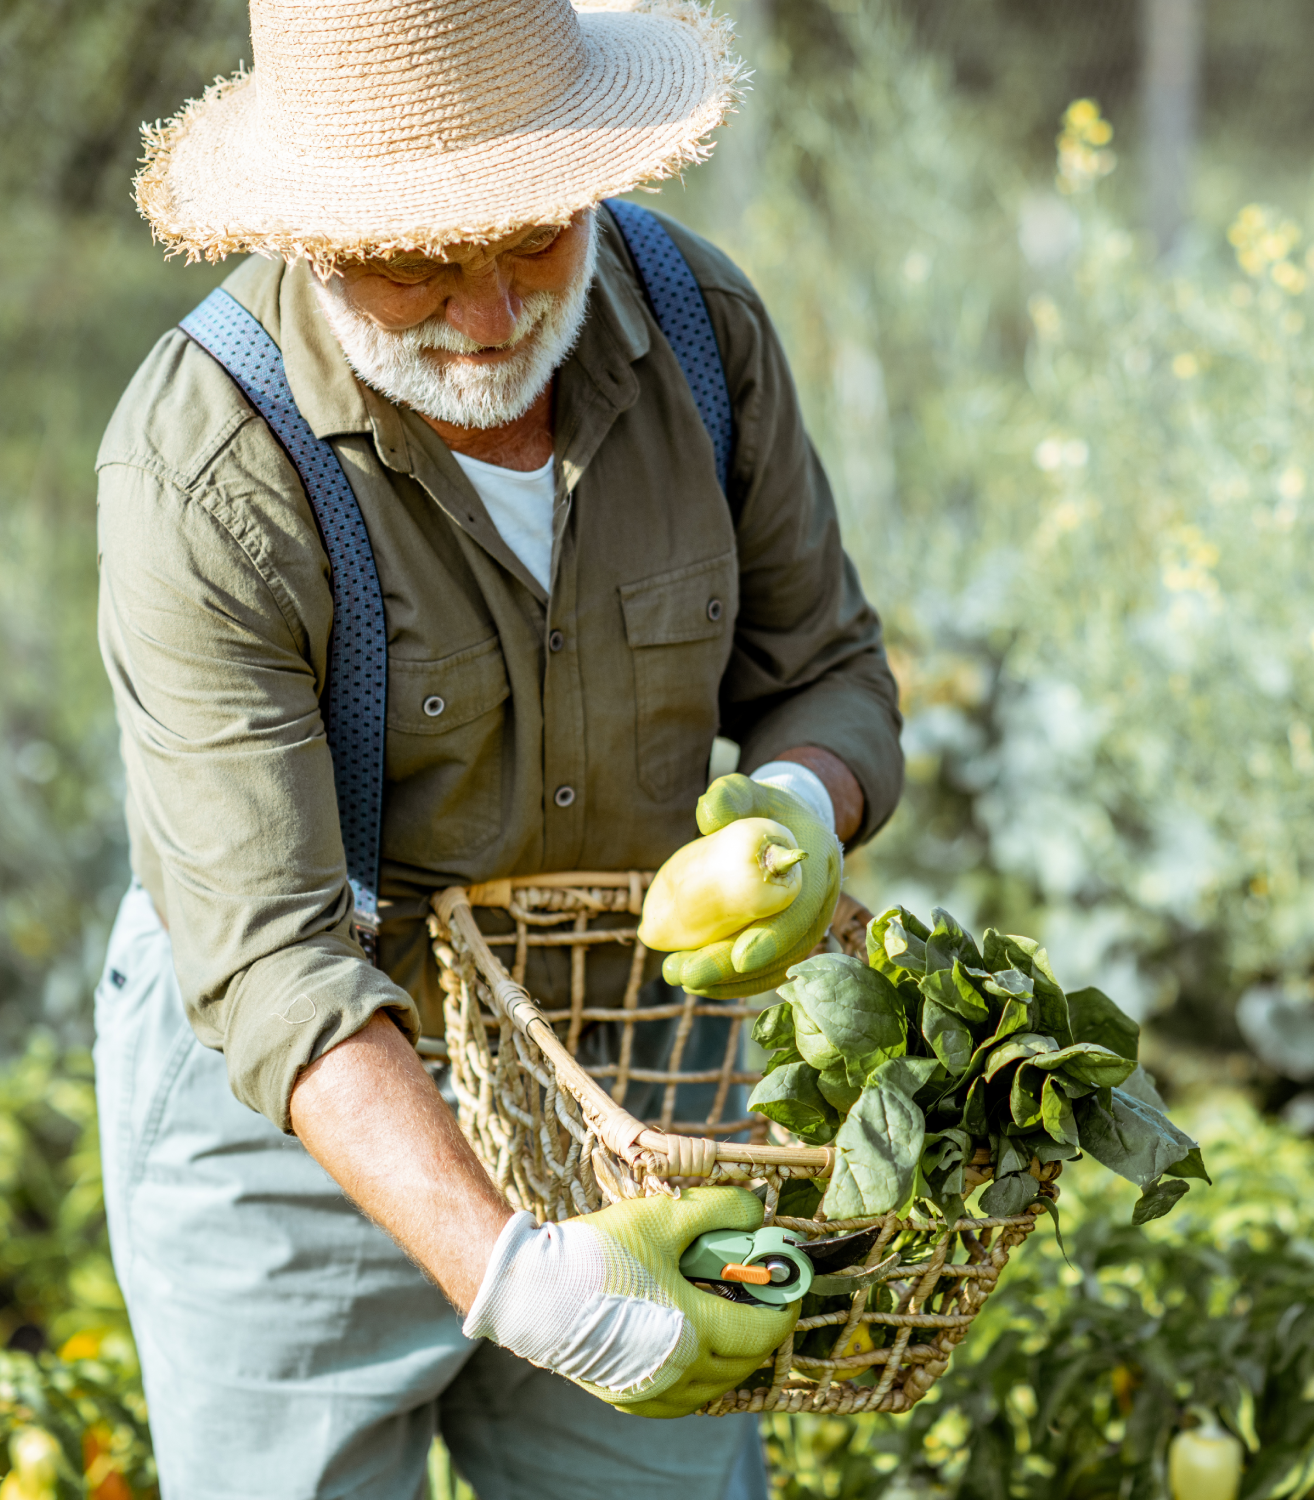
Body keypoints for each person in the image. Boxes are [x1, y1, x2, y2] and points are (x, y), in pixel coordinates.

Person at [94, 1, 904, 1495]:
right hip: (298, 1123)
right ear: (311, 230)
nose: (487, 317)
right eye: (413, 265)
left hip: (627, 1088)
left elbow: (827, 671)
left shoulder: (696, 329)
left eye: (531, 237)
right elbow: (272, 962)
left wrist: (793, 805)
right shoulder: (208, 465)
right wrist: (532, 1285)